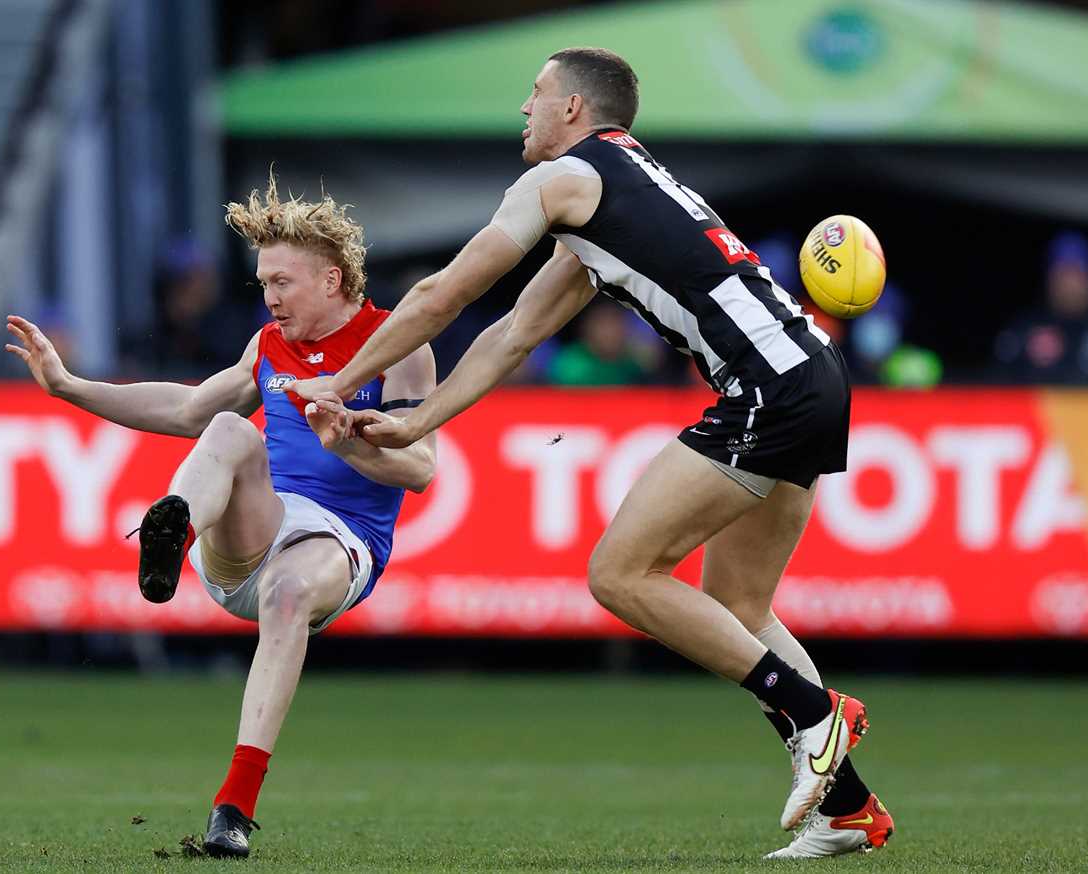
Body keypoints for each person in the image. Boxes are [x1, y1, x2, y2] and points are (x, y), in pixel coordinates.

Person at [294, 47, 891, 859]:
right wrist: (415, 419)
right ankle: (847, 807)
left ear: (574, 109)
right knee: (738, 607)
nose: (523, 109)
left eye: (535, 94)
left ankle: (814, 712)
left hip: (769, 389)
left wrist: (340, 380)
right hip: (811, 373)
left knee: (619, 573)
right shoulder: (611, 201)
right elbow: (511, 335)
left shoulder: (561, 179)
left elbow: (445, 294)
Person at [4, 174, 437, 859]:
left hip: (339, 541)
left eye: (282, 282)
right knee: (231, 433)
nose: (268, 296)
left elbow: (420, 470)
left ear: (331, 279)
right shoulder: (268, 345)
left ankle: (232, 809)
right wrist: (69, 386)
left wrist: (348, 435)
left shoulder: (400, 344)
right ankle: (172, 527)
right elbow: (184, 411)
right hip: (253, 527)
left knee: (290, 592)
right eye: (263, 281)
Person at [994, 231, 1088, 384]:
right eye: (1063, 272)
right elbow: (996, 383)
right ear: (1049, 279)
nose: (1070, 283)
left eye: (1078, 272)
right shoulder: (1024, 329)